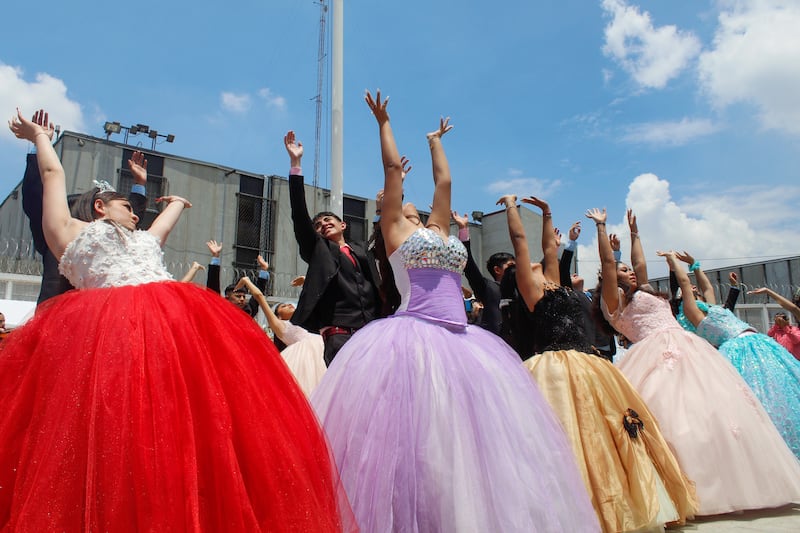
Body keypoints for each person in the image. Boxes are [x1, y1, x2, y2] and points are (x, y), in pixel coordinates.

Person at [1, 108, 355, 531]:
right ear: (99, 207)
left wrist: (178, 205)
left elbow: (159, 230)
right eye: (126, 206)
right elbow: (53, 173)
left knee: (192, 425)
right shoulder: (68, 230)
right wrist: (41, 138)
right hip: (107, 335)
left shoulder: (142, 239)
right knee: (120, 430)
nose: (136, 212)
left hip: (173, 329)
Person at [310, 91, 599, 531]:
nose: (410, 201)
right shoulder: (393, 229)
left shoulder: (440, 228)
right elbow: (391, 170)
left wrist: (435, 141)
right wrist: (384, 122)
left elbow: (444, 184)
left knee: (469, 442)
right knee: (420, 436)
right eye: (401, 198)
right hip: (413, 336)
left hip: (464, 341)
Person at [500, 194, 696, 532]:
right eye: (527, 261)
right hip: (553, 365)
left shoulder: (553, 279)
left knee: (603, 429)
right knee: (568, 432)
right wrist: (511, 206)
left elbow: (549, 249)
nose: (537, 260)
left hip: (586, 361)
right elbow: (520, 240)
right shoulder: (530, 286)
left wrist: (547, 213)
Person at [587, 206, 800, 516]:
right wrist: (601, 229)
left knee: (716, 417)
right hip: (655, 356)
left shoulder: (642, 290)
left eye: (628, 270)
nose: (629, 272)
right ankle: (685, 490)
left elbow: (641, 263)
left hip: (690, 350)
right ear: (609, 280)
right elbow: (608, 263)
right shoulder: (614, 301)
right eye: (623, 271)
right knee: (674, 420)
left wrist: (635, 233)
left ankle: (734, 485)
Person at [664, 250, 800, 458]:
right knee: (758, 398)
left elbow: (707, 286)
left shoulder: (710, 307)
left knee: (782, 389)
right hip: (737, 351)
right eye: (688, 289)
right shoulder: (691, 313)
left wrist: (694, 264)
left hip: (758, 344)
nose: (692, 287)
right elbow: (683, 283)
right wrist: (673, 263)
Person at [21, 111, 148, 306]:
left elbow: (130, 218)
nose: (133, 216)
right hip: (57, 318)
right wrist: (39, 145)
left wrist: (139, 184)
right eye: (125, 207)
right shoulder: (61, 238)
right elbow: (36, 196)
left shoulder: (119, 243)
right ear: (98, 207)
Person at [285, 131, 384, 365]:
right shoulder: (318, 250)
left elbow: (383, 237)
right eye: (318, 225)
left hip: (372, 332)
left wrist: (382, 209)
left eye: (328, 220)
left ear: (343, 224)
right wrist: (296, 165)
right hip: (338, 334)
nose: (323, 224)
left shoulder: (361, 250)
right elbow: (300, 215)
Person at [236, 277, 326, 396]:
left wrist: (307, 281)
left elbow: (315, 299)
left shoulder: (305, 321)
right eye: (283, 306)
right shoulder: (279, 325)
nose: (289, 305)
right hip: (305, 359)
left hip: (322, 349)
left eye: (289, 304)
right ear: (278, 316)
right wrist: (246, 281)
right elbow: (259, 296)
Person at [451, 210, 514, 336]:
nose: (516, 269)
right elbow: (469, 266)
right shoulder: (488, 288)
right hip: (494, 347)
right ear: (497, 270)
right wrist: (463, 229)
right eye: (511, 266)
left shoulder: (522, 290)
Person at [204, 240, 269, 318]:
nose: (242, 299)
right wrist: (215, 256)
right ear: (227, 298)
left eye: (244, 296)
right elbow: (212, 287)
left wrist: (264, 269)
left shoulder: (248, 311)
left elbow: (258, 295)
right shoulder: (220, 310)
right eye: (238, 296)